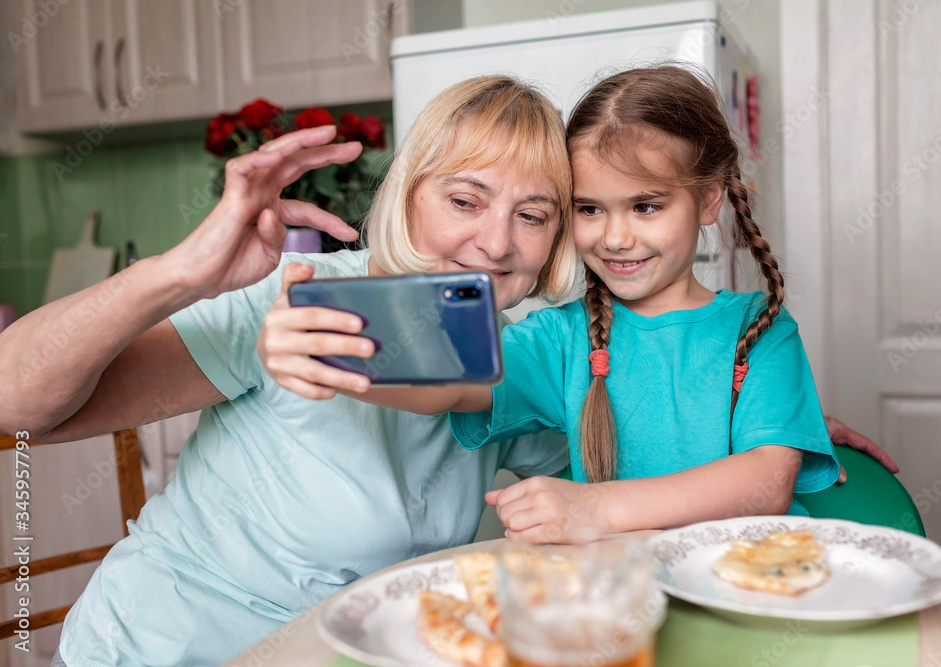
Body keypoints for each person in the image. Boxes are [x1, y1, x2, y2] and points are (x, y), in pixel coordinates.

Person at [0, 75, 890, 666]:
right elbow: (21, 402)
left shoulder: (522, 346)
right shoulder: (300, 294)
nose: (496, 241)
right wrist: (193, 281)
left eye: (536, 214)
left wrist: (773, 419)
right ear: (409, 189)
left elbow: (633, 442)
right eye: (465, 200)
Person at [273, 66, 855, 544]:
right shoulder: (560, 340)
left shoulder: (761, 329)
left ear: (707, 200)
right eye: (589, 209)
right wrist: (336, 352)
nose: (616, 237)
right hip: (619, 600)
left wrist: (595, 508)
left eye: (646, 206)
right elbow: (446, 379)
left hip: (747, 588)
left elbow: (764, 482)